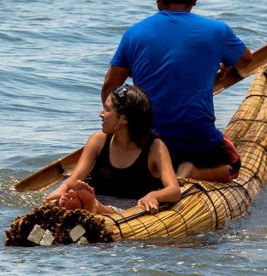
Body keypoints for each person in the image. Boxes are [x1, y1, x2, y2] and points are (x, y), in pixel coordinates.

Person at [101, 0, 253, 183]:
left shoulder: (135, 33)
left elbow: (109, 86)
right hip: (197, 140)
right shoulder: (218, 31)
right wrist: (224, 63)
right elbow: (246, 59)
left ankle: (157, 170)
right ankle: (194, 172)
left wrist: (116, 129)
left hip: (147, 141)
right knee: (233, 166)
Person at [44, 84, 181, 214]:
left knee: (96, 203)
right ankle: (86, 204)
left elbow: (174, 190)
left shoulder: (154, 147)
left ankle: (93, 206)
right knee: (72, 195)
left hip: (130, 211)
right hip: (98, 199)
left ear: (124, 118)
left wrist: (153, 195)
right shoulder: (98, 140)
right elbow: (75, 179)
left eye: (107, 109)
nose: (101, 113)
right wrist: (60, 191)